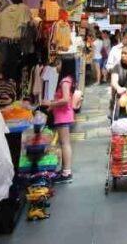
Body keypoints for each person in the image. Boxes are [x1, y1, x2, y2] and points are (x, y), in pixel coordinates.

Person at [44, 55, 76, 183]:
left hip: (63, 115)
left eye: (59, 63)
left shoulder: (64, 81)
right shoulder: (68, 79)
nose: (57, 66)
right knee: (64, 143)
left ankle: (66, 172)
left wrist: (51, 104)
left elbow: (65, 99)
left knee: (65, 143)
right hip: (63, 114)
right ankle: (65, 170)